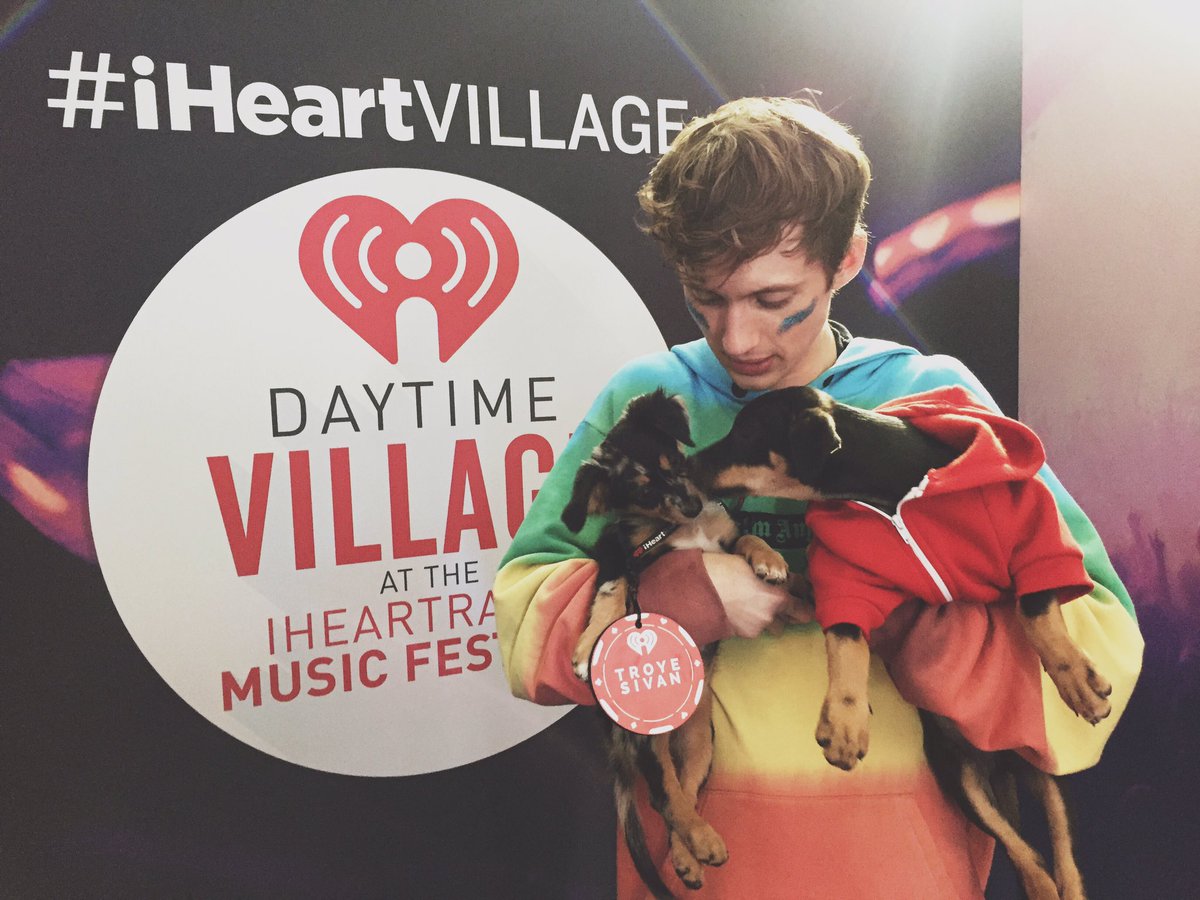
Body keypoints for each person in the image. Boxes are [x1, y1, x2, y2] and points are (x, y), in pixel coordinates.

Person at [494, 96, 1142, 898]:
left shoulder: (932, 402)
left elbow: (1100, 651)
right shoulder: (648, 401)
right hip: (695, 872)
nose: (737, 339)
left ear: (846, 260)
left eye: (772, 301)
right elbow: (524, 619)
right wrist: (676, 601)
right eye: (706, 297)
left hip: (901, 870)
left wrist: (901, 617)